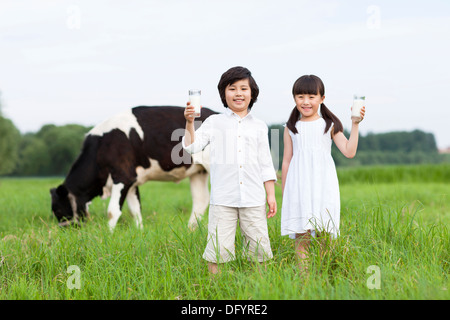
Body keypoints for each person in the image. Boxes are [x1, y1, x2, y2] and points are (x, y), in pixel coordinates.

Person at [182, 66, 277, 274]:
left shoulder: (259, 126)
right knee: (217, 251)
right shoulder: (214, 122)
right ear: (224, 93)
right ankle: (217, 291)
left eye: (244, 88)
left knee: (259, 251)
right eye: (232, 88)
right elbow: (191, 146)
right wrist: (190, 123)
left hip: (254, 198)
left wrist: (270, 194)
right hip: (223, 199)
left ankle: (259, 292)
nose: (238, 93)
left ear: (252, 93)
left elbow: (266, 163)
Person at [281, 74, 365, 271]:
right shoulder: (291, 128)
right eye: (300, 96)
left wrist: (355, 124)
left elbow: (349, 151)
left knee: (324, 234)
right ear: (294, 98)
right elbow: (286, 161)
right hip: (299, 187)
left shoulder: (329, 125)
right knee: (301, 236)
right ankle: (305, 281)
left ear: (322, 98)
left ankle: (323, 276)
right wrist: (286, 194)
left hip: (323, 185)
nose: (306, 101)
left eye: (311, 96)